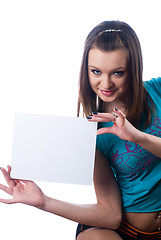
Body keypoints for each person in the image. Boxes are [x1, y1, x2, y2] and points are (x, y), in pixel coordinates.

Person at [0, 20, 161, 240]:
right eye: (96, 71)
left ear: (133, 68)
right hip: (125, 232)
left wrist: (138, 137)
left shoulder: (157, 91)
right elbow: (110, 214)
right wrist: (44, 201)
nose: (105, 83)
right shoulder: (92, 133)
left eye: (117, 73)